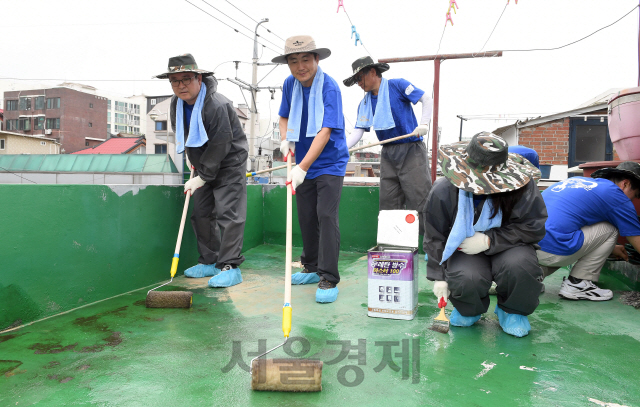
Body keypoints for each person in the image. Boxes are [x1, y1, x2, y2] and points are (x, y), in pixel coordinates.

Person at [423, 132, 546, 337]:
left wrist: (490, 240)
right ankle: (469, 310)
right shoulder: (443, 190)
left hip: (510, 244)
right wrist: (438, 276)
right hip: (464, 246)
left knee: (521, 266)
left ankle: (512, 311)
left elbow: (534, 225)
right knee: (466, 277)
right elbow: (435, 234)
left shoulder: (521, 187)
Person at [155, 53, 248, 288]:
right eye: (175, 81)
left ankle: (230, 266)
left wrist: (203, 177)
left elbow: (221, 142)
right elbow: (184, 134)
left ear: (199, 78)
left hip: (228, 163)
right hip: (202, 164)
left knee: (229, 213)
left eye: (186, 79)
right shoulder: (177, 104)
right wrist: (190, 157)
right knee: (201, 213)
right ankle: (209, 261)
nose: (180, 85)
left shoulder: (217, 105)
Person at [273, 35, 349, 303]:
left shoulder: (330, 88)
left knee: (325, 216)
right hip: (301, 161)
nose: (300, 66)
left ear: (316, 59)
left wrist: (303, 167)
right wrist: (285, 140)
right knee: (306, 216)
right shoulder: (289, 84)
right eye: (293, 61)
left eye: (306, 59)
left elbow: (326, 131)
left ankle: (328, 277)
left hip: (329, 162)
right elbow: (284, 115)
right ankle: (311, 265)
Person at [343, 56, 433, 235]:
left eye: (360, 78)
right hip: (388, 154)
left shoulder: (397, 86)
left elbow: (426, 99)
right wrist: (341, 150)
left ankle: (432, 246)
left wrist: (423, 124)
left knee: (421, 200)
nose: (359, 84)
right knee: (388, 204)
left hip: (411, 150)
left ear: (373, 72)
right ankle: (394, 247)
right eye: (356, 81)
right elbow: (357, 131)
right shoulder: (365, 103)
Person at [537, 161, 640, 301]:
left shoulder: (576, 182)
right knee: (610, 228)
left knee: (560, 236)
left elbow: (564, 222)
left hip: (528, 247)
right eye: (635, 195)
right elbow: (636, 239)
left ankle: (529, 279)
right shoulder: (617, 195)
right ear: (625, 184)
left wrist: (609, 248)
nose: (632, 200)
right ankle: (578, 284)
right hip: (553, 250)